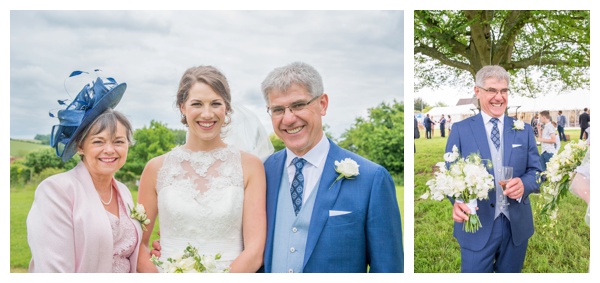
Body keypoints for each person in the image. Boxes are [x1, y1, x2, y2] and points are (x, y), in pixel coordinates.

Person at [260, 61, 404, 272]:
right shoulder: (262, 172)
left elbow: (388, 269)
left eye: (299, 105)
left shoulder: (372, 179)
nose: (288, 119)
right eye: (278, 110)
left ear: (322, 104)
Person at [136, 66, 267, 272]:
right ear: (182, 107)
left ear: (227, 108)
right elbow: (139, 245)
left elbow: (255, 251)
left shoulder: (250, 167)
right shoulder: (156, 168)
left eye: (216, 104)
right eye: (197, 104)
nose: (207, 114)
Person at [27, 74, 142, 272]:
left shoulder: (123, 191)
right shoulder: (56, 190)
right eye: (98, 141)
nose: (109, 150)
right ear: (80, 146)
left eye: (118, 141)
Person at [447, 65, 541, 273]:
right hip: (476, 224)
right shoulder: (460, 130)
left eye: (504, 91)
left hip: (516, 225)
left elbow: (537, 172)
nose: (499, 97)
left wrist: (524, 184)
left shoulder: (523, 130)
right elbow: (450, 176)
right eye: (492, 90)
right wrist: (457, 202)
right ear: (477, 91)